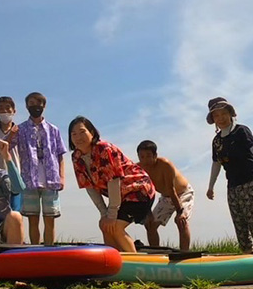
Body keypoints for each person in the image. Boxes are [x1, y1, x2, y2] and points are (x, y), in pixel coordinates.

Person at [205, 97, 253, 255]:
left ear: (230, 114)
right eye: (216, 116)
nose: (220, 118)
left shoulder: (241, 131)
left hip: (250, 181)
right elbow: (216, 163)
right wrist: (210, 186)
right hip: (232, 185)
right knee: (239, 222)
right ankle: (247, 255)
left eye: (223, 114)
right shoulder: (216, 141)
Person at [69, 116, 154, 252]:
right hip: (121, 196)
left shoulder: (104, 149)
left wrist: (112, 214)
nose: (78, 137)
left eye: (82, 132)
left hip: (139, 190)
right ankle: (112, 263)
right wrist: (104, 214)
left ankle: (134, 265)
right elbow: (89, 187)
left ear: (92, 132)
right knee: (105, 225)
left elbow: (113, 181)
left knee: (115, 227)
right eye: (73, 134)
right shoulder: (76, 157)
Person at [13, 92, 67, 246]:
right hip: (29, 179)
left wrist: (62, 177)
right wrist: (11, 133)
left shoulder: (53, 129)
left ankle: (49, 248)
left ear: (43, 106)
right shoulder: (21, 129)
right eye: (30, 103)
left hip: (51, 178)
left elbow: (60, 154)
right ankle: (35, 249)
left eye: (37, 103)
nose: (34, 106)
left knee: (50, 219)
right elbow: (6, 145)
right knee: (32, 219)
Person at [135, 140, 194, 250]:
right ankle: (155, 253)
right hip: (166, 197)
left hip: (182, 193)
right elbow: (143, 192)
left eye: (148, 156)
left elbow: (171, 190)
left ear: (155, 155)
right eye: (142, 157)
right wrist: (148, 212)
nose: (145, 160)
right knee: (150, 224)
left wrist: (180, 212)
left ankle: (184, 254)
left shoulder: (165, 164)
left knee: (181, 221)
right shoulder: (138, 169)